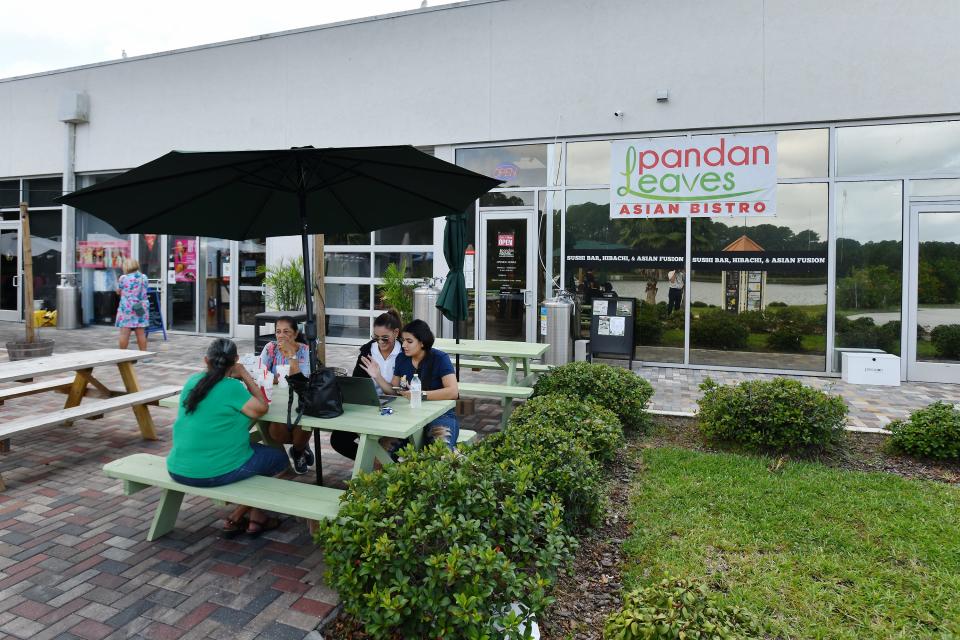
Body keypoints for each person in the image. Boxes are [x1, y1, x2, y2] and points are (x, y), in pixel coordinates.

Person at [166, 338, 288, 537]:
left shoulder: (192, 382)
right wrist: (244, 374)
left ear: (206, 360)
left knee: (255, 453)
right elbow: (262, 407)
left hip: (177, 468)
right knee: (279, 459)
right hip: (210, 473)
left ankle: (256, 517)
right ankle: (242, 513)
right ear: (236, 360)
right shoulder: (231, 388)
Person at [361, 319, 460, 451]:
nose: (403, 345)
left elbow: (453, 392)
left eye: (409, 341)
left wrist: (419, 395)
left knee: (440, 451)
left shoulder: (439, 358)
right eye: (404, 340)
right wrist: (377, 376)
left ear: (422, 342)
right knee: (381, 451)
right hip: (407, 415)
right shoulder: (402, 359)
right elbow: (393, 390)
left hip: (440, 415)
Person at [331, 308, 403, 460]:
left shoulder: (405, 352)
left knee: (398, 442)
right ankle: (374, 462)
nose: (380, 342)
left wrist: (377, 376)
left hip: (398, 408)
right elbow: (357, 384)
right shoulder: (367, 352)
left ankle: (383, 463)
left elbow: (399, 392)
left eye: (385, 338)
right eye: (376, 337)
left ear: (396, 333)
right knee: (338, 440)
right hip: (369, 405)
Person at [259, 317, 314, 474]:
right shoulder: (270, 348)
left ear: (295, 334)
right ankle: (301, 446)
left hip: (299, 399)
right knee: (276, 432)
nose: (281, 336)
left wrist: (291, 356)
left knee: (305, 423)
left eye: (286, 332)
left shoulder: (304, 350)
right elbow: (261, 374)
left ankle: (298, 450)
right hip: (277, 401)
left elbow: (303, 380)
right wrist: (277, 378)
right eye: (278, 331)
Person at [115, 258, 149, 351]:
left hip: (127, 308)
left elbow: (118, 291)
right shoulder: (144, 277)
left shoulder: (123, 278)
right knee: (141, 333)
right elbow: (145, 290)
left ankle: (122, 356)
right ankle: (144, 355)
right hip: (140, 307)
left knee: (124, 334)